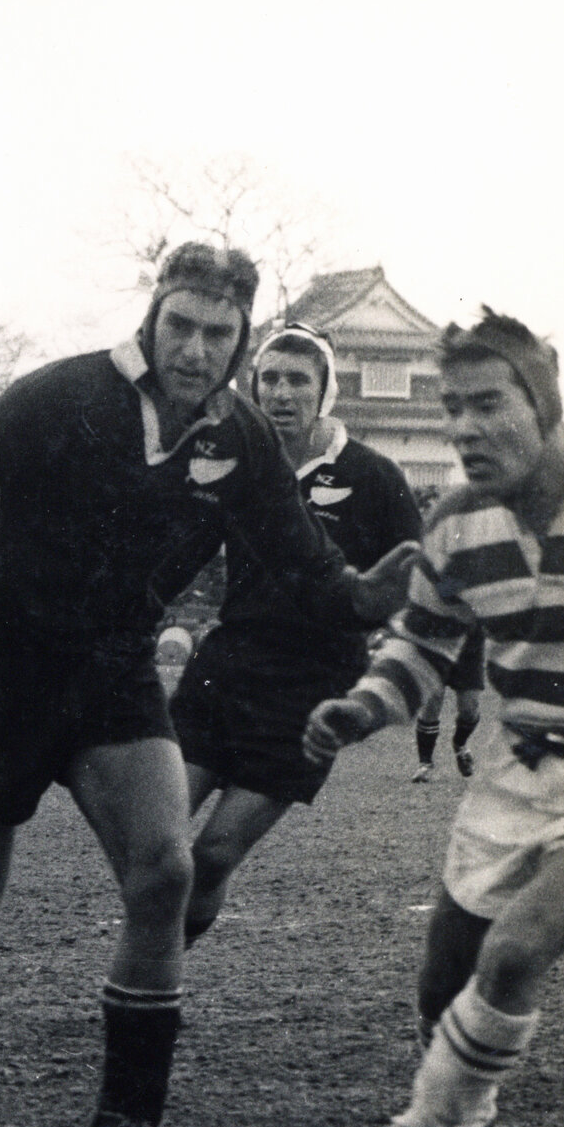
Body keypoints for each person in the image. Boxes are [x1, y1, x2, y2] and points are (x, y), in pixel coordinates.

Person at [0, 244, 416, 1127]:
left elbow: (310, 570)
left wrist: (377, 593)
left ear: (240, 339)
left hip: (117, 680)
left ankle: (126, 1125)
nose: (197, 348)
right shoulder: (64, 395)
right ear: (152, 318)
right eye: (182, 324)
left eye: (219, 333)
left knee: (165, 872)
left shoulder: (240, 439)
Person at [305, 311, 564, 1127]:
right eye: (450, 410)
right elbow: (422, 645)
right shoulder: (457, 524)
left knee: (514, 954)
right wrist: (364, 705)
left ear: (544, 406)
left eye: (487, 405)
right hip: (517, 771)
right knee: (445, 977)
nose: (464, 429)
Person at [170, 324, 422, 944]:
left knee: (211, 857)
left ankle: (154, 977)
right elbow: (177, 550)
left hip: (309, 687)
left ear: (324, 391)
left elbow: (424, 583)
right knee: (156, 841)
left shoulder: (374, 475)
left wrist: (454, 680)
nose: (281, 393)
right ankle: (149, 968)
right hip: (224, 667)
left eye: (297, 380)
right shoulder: (230, 465)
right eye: (270, 379)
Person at [410, 635, 485, 781]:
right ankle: (425, 764)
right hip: (434, 645)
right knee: (432, 702)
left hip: (469, 649)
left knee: (469, 708)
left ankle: (460, 745)